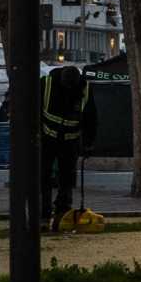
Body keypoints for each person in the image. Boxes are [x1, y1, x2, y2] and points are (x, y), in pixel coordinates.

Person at [39, 63, 98, 229]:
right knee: (43, 175)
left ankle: (63, 210)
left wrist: (88, 144)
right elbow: (34, 111)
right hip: (47, 138)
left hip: (70, 141)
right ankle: (43, 210)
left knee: (67, 177)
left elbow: (91, 118)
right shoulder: (46, 84)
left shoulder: (84, 89)